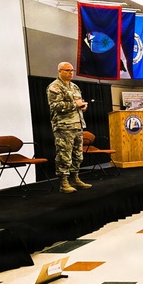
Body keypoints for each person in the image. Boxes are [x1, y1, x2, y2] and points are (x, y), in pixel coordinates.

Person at [47, 62, 91, 194]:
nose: (71, 73)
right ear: (60, 71)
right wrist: (75, 104)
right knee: (64, 155)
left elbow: (78, 103)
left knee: (78, 155)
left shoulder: (75, 86)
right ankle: (64, 182)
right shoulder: (54, 87)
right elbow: (55, 106)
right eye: (67, 70)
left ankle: (75, 177)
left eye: (72, 70)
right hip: (64, 126)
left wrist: (82, 106)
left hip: (77, 124)